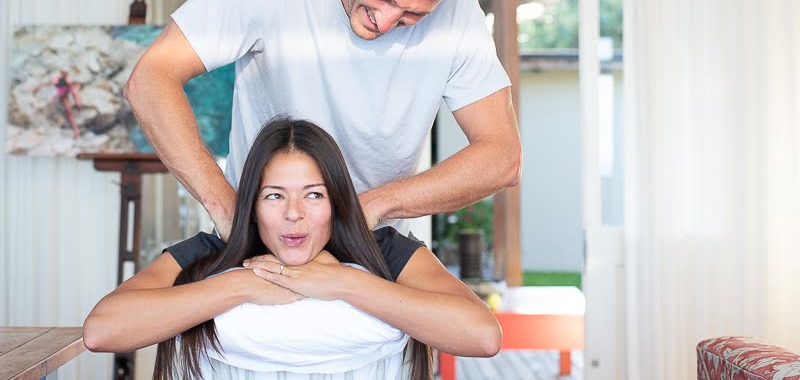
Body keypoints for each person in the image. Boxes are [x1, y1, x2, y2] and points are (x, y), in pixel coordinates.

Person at [124, 0, 522, 240]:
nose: (385, 22)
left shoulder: (458, 11)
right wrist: (225, 208)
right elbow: (152, 77)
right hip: (260, 241)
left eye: (412, 15)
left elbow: (501, 156)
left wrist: (372, 207)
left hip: (373, 242)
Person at [83, 118, 502, 379]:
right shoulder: (209, 252)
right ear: (251, 202)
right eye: (275, 196)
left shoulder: (387, 251)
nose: (294, 215)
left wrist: (343, 283)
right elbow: (103, 330)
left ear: (336, 198)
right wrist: (239, 287)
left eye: (314, 195)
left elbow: (481, 336)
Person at [32, 69, 82, 139]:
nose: (65, 74)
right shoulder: (56, 79)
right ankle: (76, 131)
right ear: (62, 73)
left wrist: (75, 94)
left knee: (74, 93)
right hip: (63, 93)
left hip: (66, 91)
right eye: (64, 73)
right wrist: (36, 87)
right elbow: (46, 83)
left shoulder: (68, 80)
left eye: (66, 73)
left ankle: (76, 130)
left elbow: (75, 85)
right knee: (70, 112)